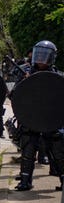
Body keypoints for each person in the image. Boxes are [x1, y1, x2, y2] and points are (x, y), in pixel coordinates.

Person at [13, 40, 64, 191]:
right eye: (39, 55)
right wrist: (26, 84)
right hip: (31, 118)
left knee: (58, 151)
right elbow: (14, 96)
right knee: (28, 150)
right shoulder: (26, 75)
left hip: (51, 119)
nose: (41, 59)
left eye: (45, 55)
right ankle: (25, 180)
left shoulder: (58, 76)